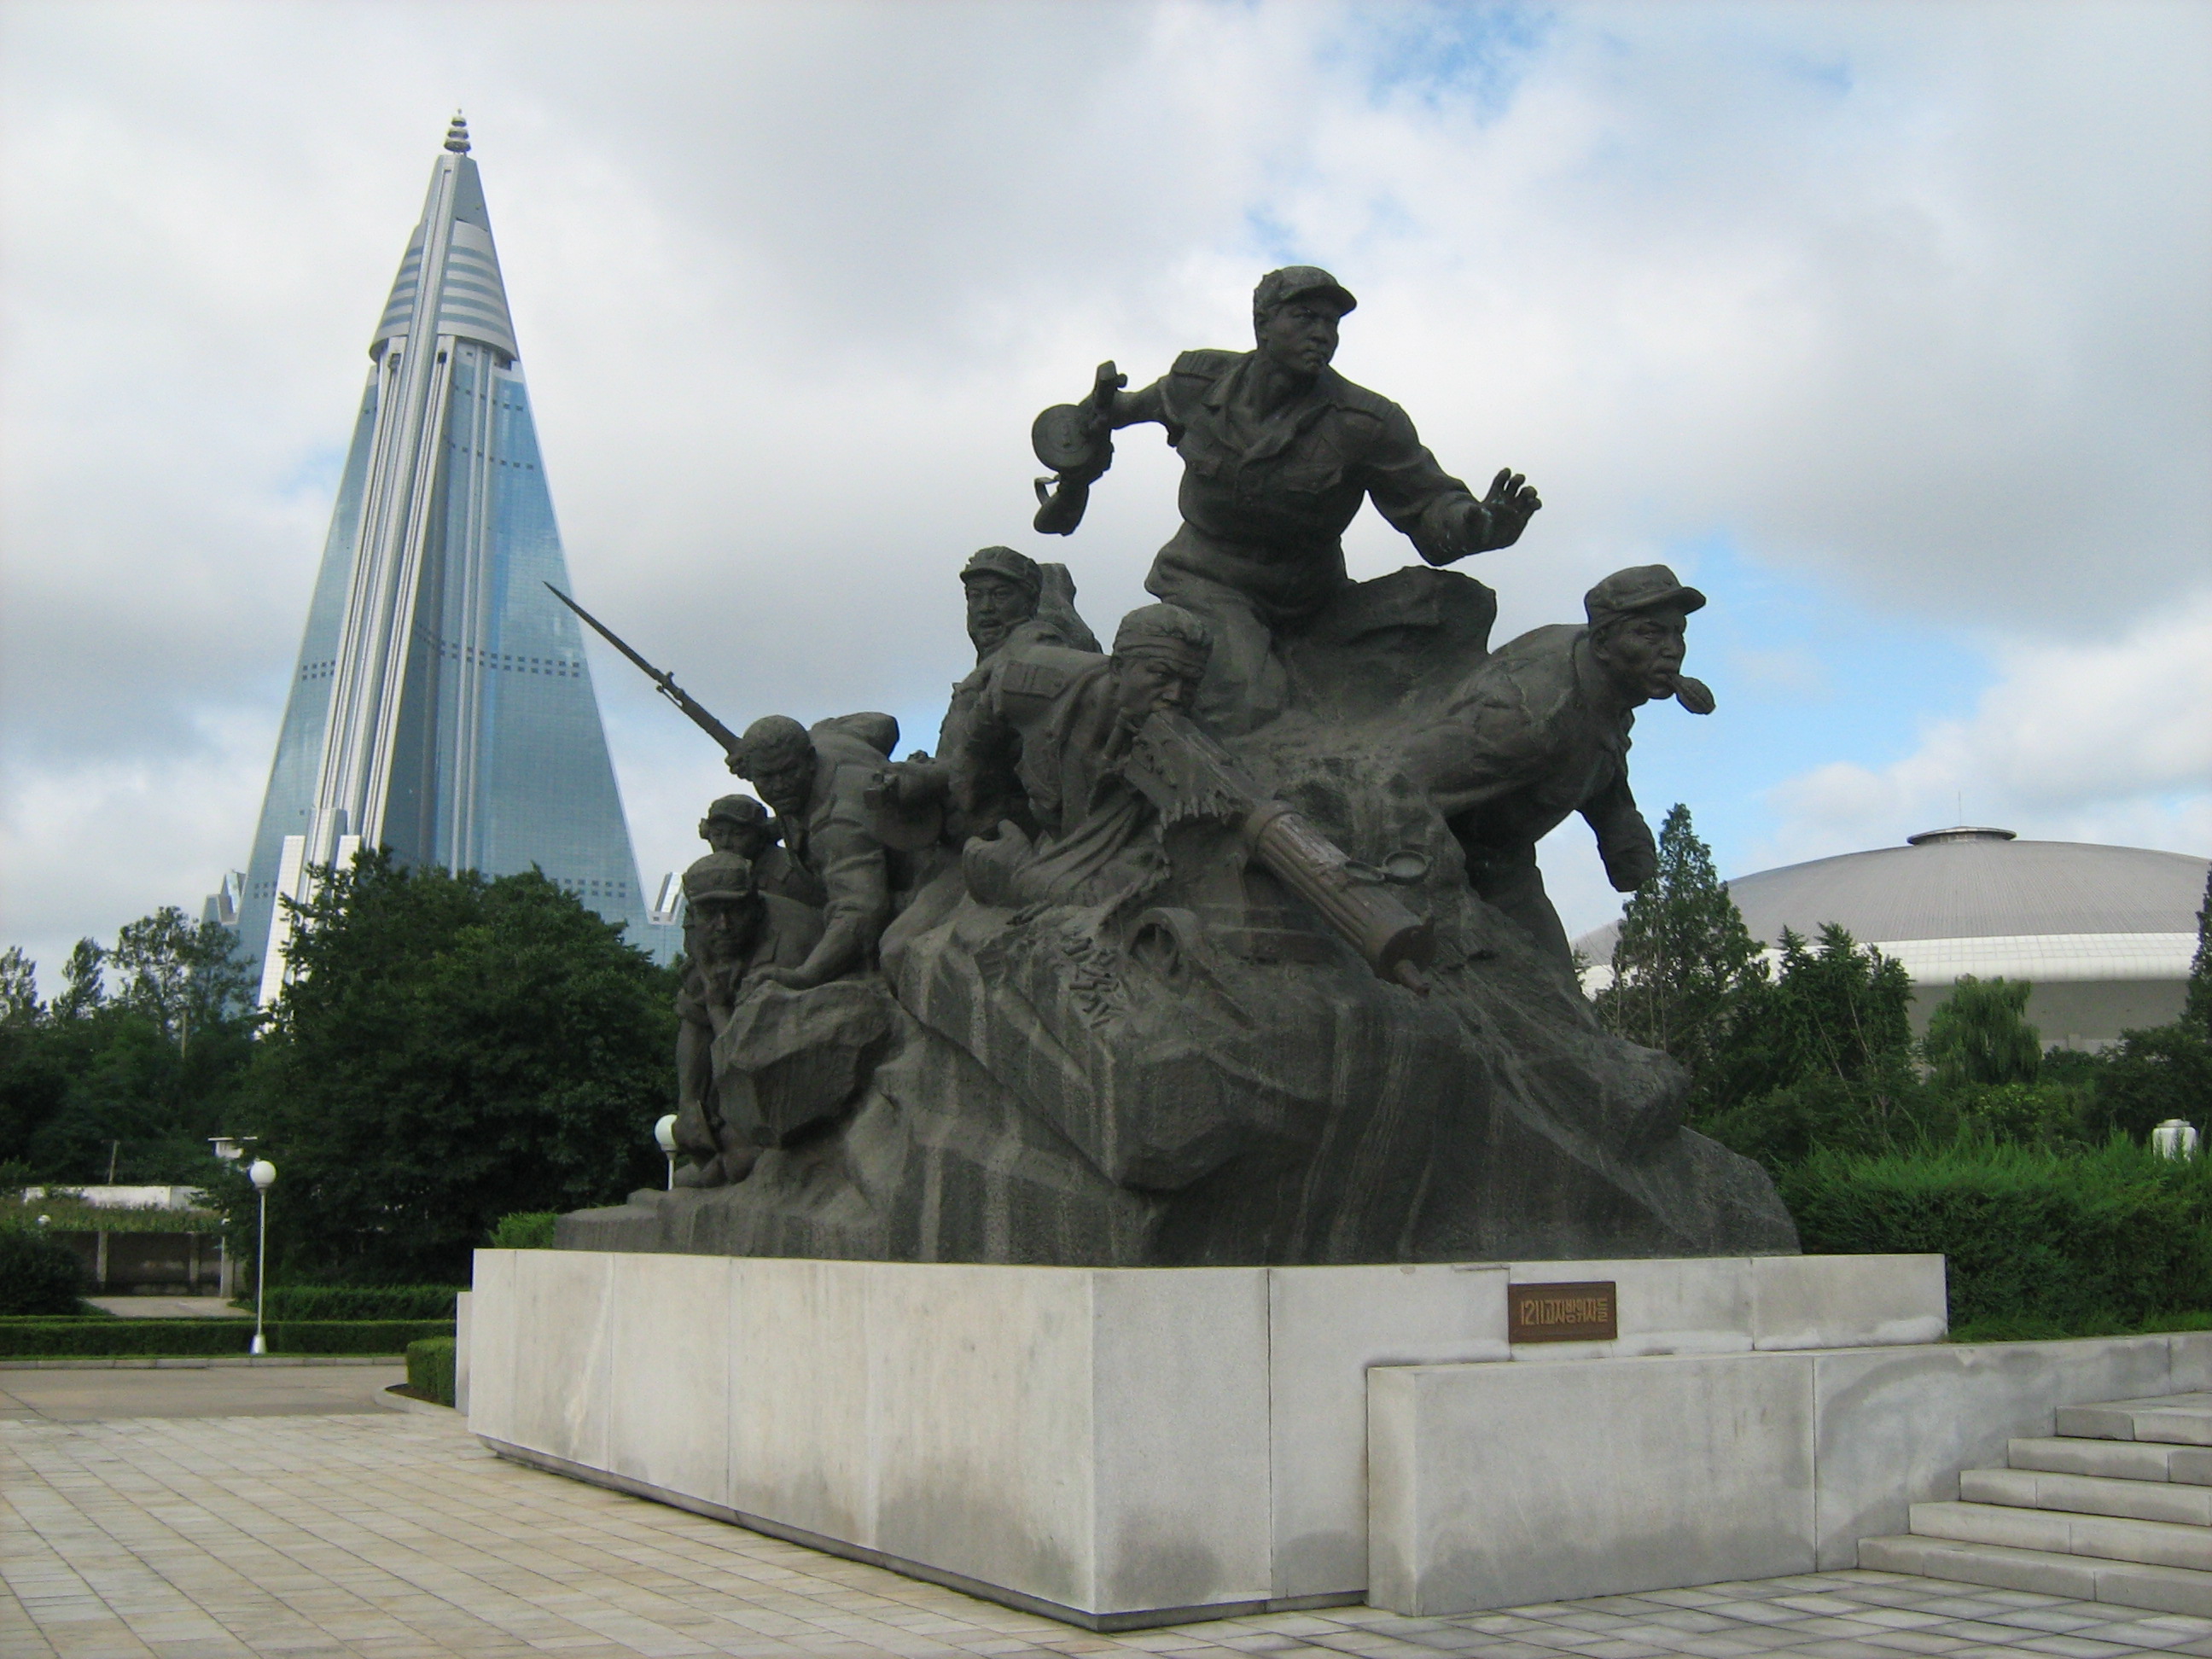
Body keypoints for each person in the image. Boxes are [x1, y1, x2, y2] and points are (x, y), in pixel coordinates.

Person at [1033, 266, 1541, 730]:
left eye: (1331, 323)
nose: (1322, 333)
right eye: (1305, 317)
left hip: (1313, 598)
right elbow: (1110, 414)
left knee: (1447, 612)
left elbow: (1429, 505)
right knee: (1247, 706)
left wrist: (1478, 524)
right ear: (1262, 324)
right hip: (1208, 579)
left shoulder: (1367, 421)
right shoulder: (1196, 384)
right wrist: (1079, 456)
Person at [1404, 565, 1714, 980]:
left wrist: (1619, 825)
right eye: (1650, 634)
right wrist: (1436, 896)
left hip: (1503, 863)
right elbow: (1398, 786)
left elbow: (1596, 752)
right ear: (1603, 643)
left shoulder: (1613, 686)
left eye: (1678, 633)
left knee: (1554, 988)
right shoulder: (1525, 714)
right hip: (1429, 860)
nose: (1672, 649)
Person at [940, 602, 1214, 907]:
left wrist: (1017, 874)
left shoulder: (1186, 758)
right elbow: (983, 724)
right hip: (1039, 833)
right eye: (1161, 675)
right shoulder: (1037, 681)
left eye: (1190, 684)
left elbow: (1128, 885)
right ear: (1118, 668)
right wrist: (981, 810)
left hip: (1070, 864)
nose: (1175, 695)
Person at [669, 853, 824, 1188]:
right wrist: (689, 1103)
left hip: (797, 1053)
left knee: (742, 1158)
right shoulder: (698, 931)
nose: (723, 925)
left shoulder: (795, 939)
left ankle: (746, 1153)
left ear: (755, 905)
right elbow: (694, 1015)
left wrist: (717, 1007)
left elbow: (753, 1058)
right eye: (710, 913)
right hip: (744, 1048)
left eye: (734, 911)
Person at [727, 712, 896, 988]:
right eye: (766, 777)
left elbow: (862, 909)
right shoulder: (828, 735)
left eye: (788, 771)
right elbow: (884, 724)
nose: (779, 786)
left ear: (809, 760)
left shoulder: (837, 823)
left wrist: (808, 974)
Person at [697, 793, 824, 909]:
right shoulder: (710, 873)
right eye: (717, 834)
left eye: (738, 834)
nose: (725, 844)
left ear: (760, 835)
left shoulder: (791, 873)